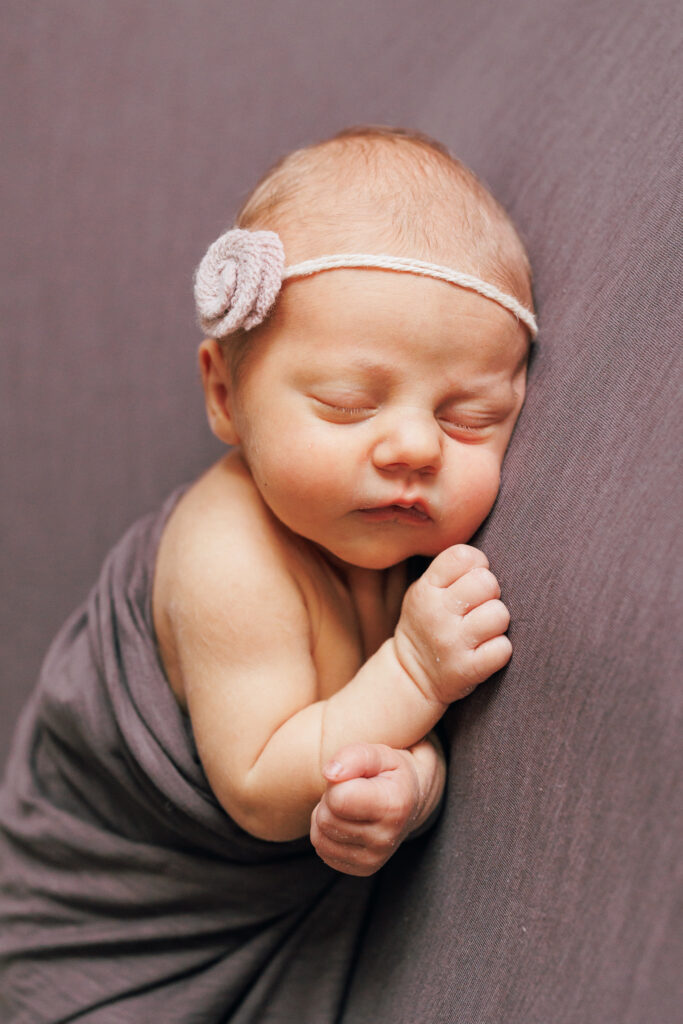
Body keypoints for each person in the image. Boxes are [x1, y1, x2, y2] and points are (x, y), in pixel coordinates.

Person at [0, 126, 537, 1020]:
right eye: (346, 404)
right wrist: (412, 673)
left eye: (469, 417)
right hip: (122, 935)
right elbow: (261, 785)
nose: (412, 446)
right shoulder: (228, 553)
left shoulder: (403, 548)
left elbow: (379, 746)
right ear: (224, 394)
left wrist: (408, 792)